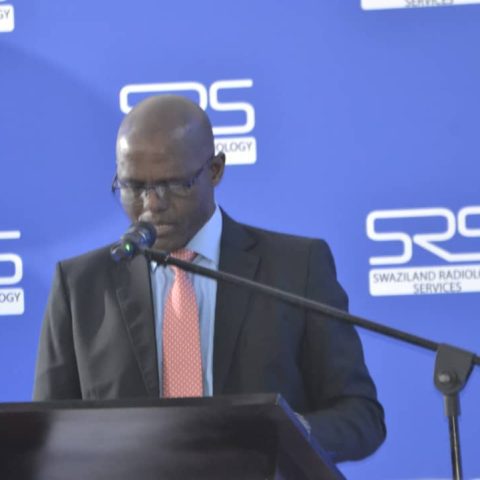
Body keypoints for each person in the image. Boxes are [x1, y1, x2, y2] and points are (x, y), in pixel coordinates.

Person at [34, 95, 386, 462]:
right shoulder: (80, 286)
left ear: (215, 170)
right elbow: (45, 435)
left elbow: (361, 417)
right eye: (133, 187)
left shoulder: (297, 268)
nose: (151, 205)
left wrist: (291, 435)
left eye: (173, 184)